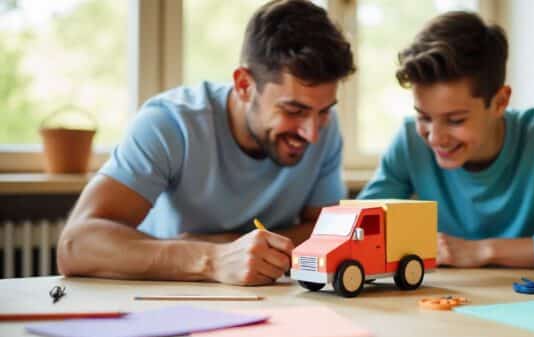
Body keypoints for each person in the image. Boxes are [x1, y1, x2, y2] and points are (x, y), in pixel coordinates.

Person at [57, 0, 355, 285]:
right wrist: (213, 258)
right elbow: (76, 245)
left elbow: (327, 233)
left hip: (270, 301)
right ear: (244, 86)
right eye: (293, 111)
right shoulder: (170, 124)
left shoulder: (326, 130)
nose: (312, 133)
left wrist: (239, 248)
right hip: (161, 300)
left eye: (324, 111)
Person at [358, 11, 534, 272]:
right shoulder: (409, 142)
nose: (435, 137)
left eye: (456, 120)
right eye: (424, 117)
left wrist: (483, 251)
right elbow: (355, 232)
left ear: (500, 101)